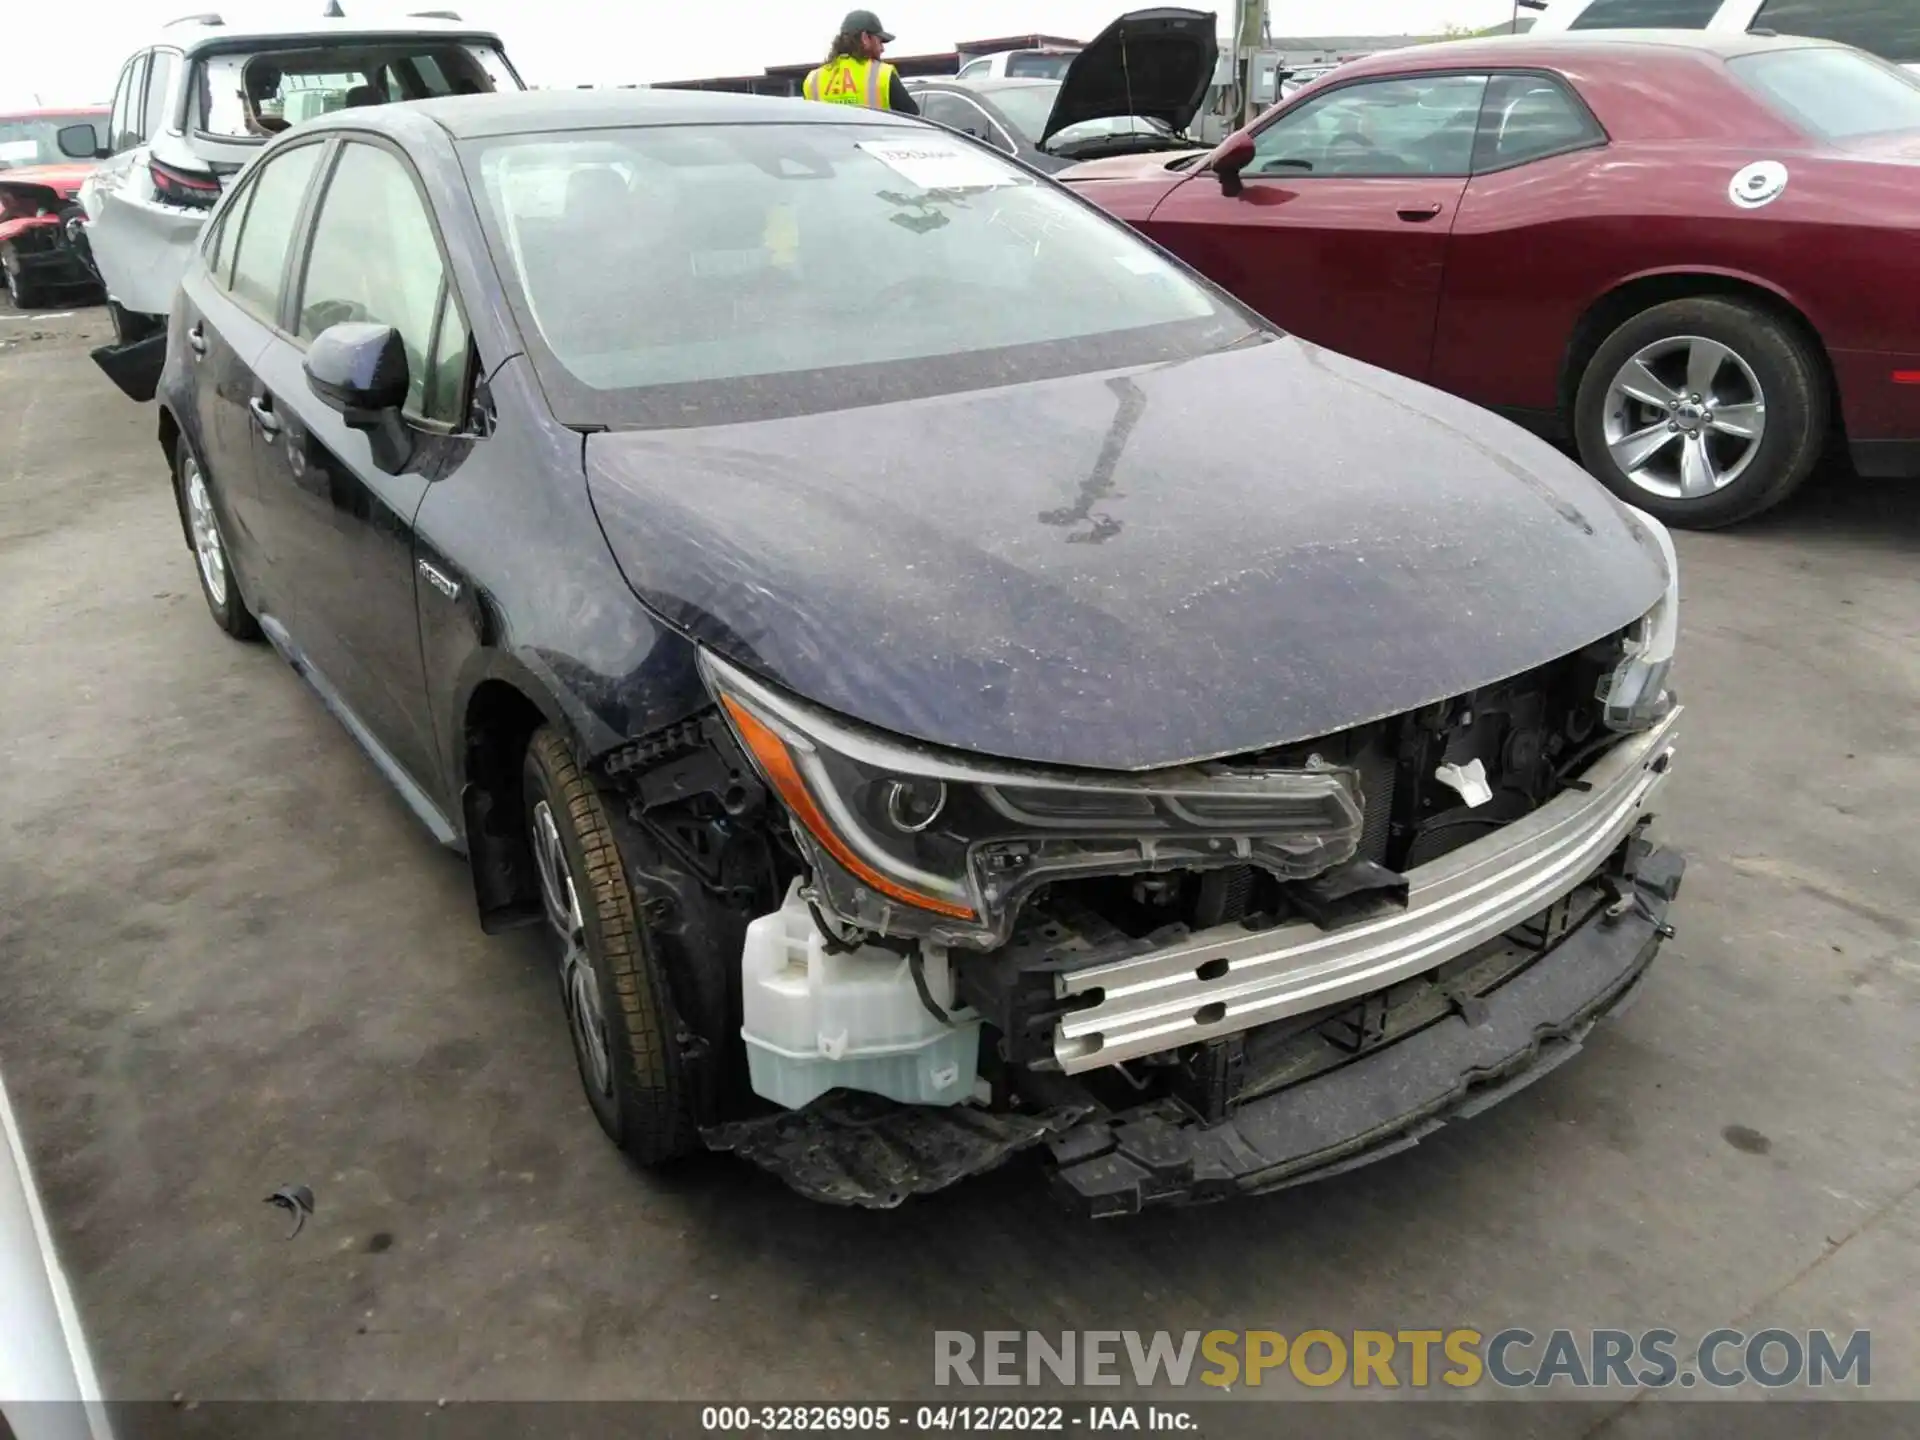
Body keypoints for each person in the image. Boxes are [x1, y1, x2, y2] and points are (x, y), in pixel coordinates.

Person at [802, 10, 919, 115]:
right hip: (873, 139)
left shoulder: (813, 80)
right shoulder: (881, 74)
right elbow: (913, 119)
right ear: (865, 38)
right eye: (879, 41)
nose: (882, 49)